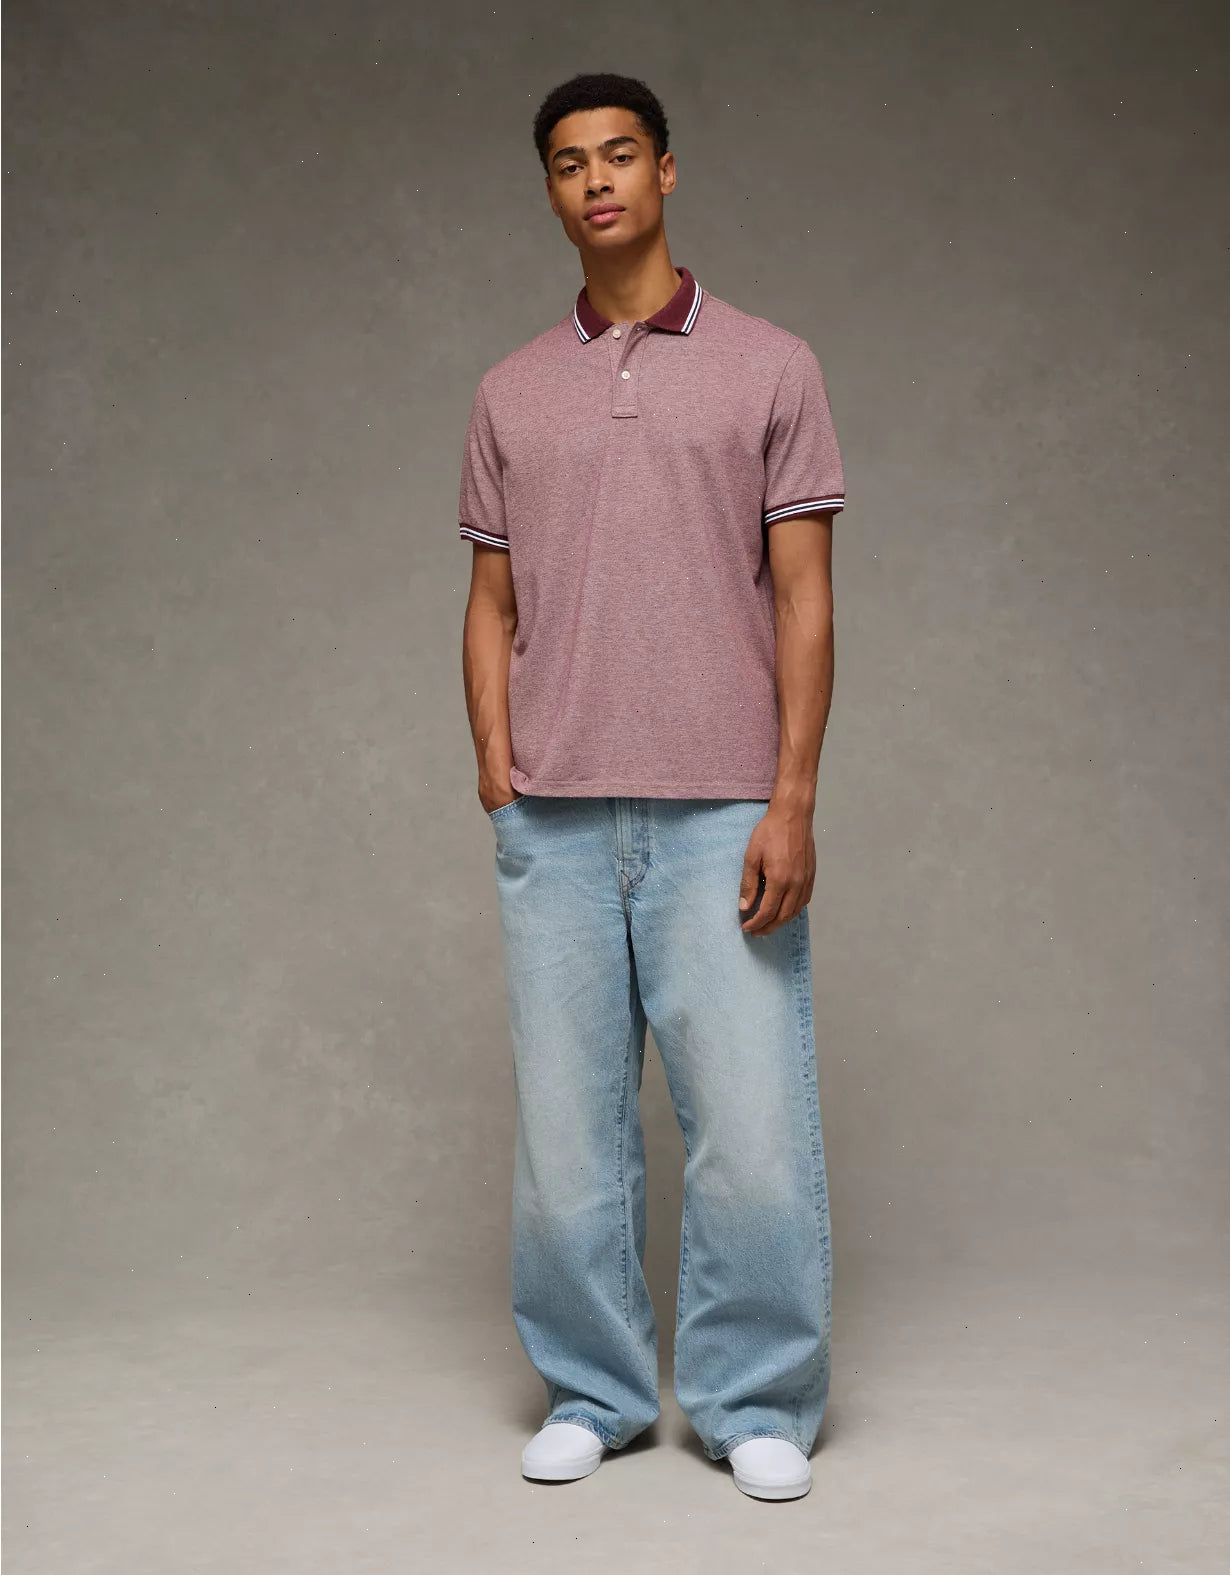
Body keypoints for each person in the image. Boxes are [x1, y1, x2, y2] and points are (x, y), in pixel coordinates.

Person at [457, 71, 844, 1501]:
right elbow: (490, 602)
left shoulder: (771, 367)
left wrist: (790, 799)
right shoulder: (509, 391)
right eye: (569, 163)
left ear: (666, 171)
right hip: (555, 817)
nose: (596, 180)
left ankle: (757, 1400)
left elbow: (803, 600)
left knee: (752, 1134)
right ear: (551, 191)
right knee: (567, 1142)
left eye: (619, 155)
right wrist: (495, 767)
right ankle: (595, 1392)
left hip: (722, 809)